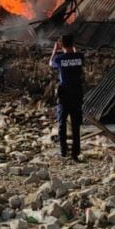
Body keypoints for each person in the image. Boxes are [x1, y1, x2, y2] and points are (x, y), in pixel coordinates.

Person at [49, 33, 85, 162]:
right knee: (76, 125)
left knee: (62, 124)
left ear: (61, 44)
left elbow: (50, 63)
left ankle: (63, 151)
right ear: (73, 44)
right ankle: (75, 153)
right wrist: (73, 48)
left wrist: (55, 50)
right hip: (77, 95)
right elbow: (77, 56)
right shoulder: (79, 57)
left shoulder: (59, 58)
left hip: (64, 96)